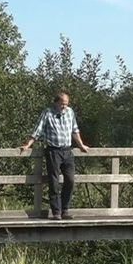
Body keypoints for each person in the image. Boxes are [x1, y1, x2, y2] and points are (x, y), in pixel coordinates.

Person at [20, 92, 90, 220]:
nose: (64, 106)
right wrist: (28, 145)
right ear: (56, 102)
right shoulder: (47, 113)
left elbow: (75, 130)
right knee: (54, 181)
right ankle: (56, 212)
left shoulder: (70, 112)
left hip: (67, 151)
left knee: (70, 180)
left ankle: (65, 210)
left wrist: (81, 145)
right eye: (62, 104)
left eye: (66, 104)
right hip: (53, 151)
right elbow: (38, 130)